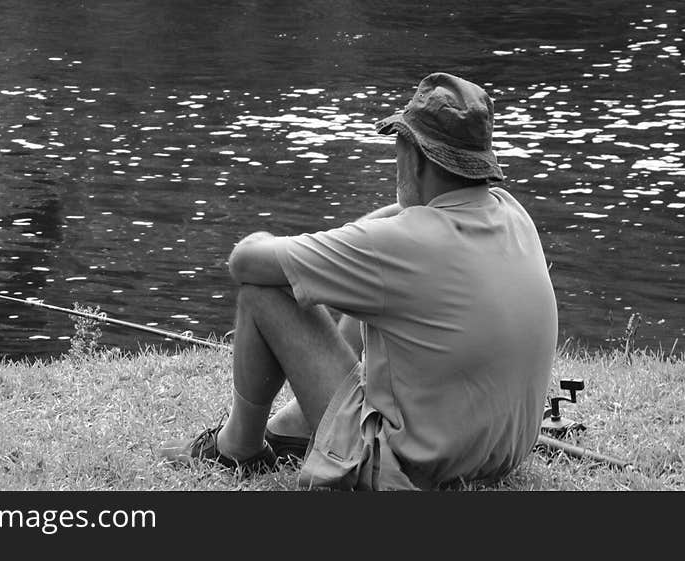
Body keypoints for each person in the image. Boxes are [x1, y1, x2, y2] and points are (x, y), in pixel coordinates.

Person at [158, 72, 558, 490]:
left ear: (416, 157)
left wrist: (313, 239)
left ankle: (238, 446)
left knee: (263, 293)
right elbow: (398, 241)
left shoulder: (404, 244)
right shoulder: (512, 214)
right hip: (496, 457)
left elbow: (246, 261)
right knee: (370, 300)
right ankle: (295, 426)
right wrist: (366, 236)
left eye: (399, 144)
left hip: (404, 469)